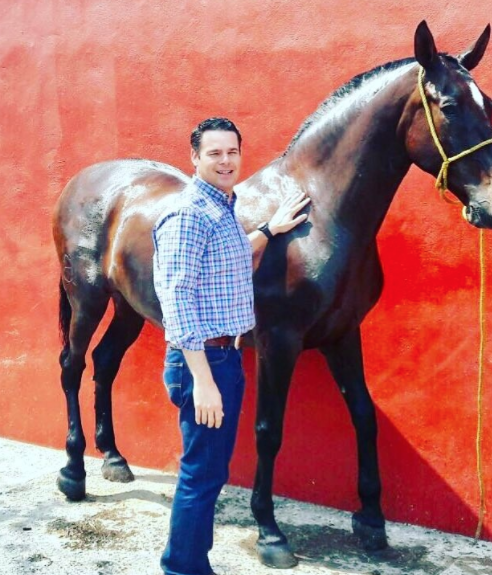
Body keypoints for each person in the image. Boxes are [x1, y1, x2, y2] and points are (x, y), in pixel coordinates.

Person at [152, 117, 310, 575]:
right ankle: (182, 568)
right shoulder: (188, 214)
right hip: (203, 362)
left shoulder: (220, 207)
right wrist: (203, 381)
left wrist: (270, 230)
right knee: (201, 475)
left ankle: (190, 562)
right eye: (214, 153)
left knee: (210, 473)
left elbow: (230, 256)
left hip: (223, 357)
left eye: (232, 152)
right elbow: (177, 300)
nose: (225, 161)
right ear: (195, 158)